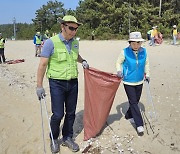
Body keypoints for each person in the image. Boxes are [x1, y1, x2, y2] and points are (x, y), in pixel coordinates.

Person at [36, 15, 89, 153]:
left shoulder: (75, 43)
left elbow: (75, 54)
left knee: (71, 113)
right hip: (57, 83)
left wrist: (82, 60)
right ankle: (54, 138)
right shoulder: (50, 42)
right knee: (58, 114)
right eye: (71, 28)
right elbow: (42, 64)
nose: (74, 31)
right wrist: (39, 86)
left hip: (73, 82)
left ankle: (67, 137)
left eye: (76, 29)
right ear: (62, 26)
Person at [116, 31, 150, 136]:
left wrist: (147, 74)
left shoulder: (144, 51)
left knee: (136, 100)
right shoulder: (124, 52)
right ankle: (139, 124)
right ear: (130, 43)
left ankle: (128, 115)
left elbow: (147, 63)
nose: (136, 45)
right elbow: (118, 62)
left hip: (140, 80)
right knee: (134, 102)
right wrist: (119, 71)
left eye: (138, 43)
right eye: (134, 43)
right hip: (128, 81)